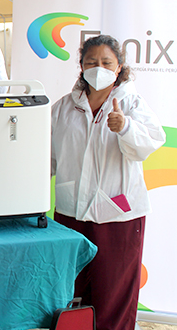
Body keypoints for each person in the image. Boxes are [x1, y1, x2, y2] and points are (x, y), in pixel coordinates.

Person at [51, 35, 166, 330]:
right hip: (71, 213)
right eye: (91, 62)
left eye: (106, 62)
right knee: (73, 290)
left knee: (114, 291)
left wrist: (125, 127)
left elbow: (153, 141)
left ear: (119, 67)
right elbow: (48, 155)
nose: (98, 68)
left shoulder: (131, 104)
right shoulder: (64, 107)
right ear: (81, 66)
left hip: (118, 214)